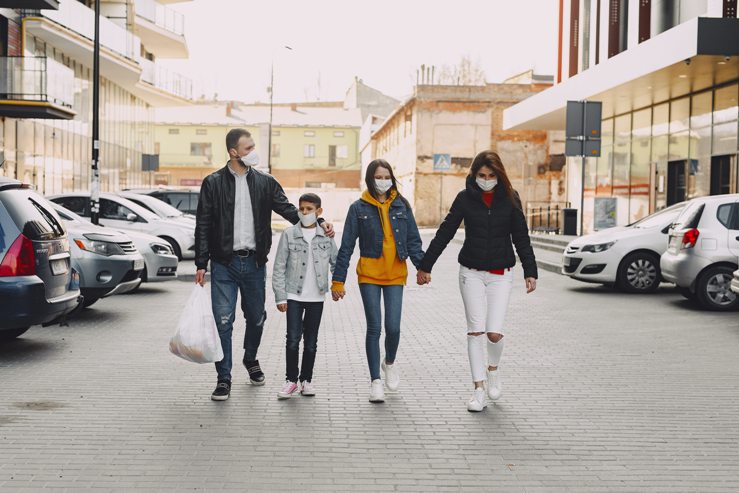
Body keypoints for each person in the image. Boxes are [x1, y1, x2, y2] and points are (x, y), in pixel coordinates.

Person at [194, 128, 333, 401]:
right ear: (233, 152)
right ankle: (224, 378)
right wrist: (201, 262)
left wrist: (317, 222)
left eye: (253, 146)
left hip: (255, 263)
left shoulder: (266, 183)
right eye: (248, 148)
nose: (253, 152)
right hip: (223, 263)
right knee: (224, 321)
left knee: (256, 318)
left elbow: (289, 210)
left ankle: (250, 358)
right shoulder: (213, 183)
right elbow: (203, 223)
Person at [417, 150, 537, 412]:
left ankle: (493, 370)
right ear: (474, 175)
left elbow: (521, 237)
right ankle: (479, 389)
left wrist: (531, 270)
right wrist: (426, 266)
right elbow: (446, 231)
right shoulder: (465, 198)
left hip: (500, 274)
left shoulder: (510, 198)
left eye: (491, 175)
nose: (486, 179)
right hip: (470, 272)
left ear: (499, 175)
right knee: (475, 331)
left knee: (494, 333)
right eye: (482, 175)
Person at [331, 159, 424, 403]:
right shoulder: (358, 208)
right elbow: (347, 246)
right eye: (378, 177)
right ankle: (375, 382)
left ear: (392, 178)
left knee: (393, 328)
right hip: (369, 274)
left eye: (387, 177)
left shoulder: (402, 205)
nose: (383, 181)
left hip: (396, 274)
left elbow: (413, 240)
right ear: (370, 179)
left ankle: (389, 362)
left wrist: (422, 268)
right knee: (375, 327)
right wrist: (338, 280)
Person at [272, 193, 338, 399]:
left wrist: (337, 285)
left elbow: (337, 263)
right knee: (292, 339)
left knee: (311, 341)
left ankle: (306, 380)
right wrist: (280, 296)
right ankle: (291, 380)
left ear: (319, 212)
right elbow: (279, 267)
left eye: (309, 209)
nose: (304, 212)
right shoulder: (289, 234)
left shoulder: (326, 236)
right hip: (294, 295)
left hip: (316, 297)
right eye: (302, 209)